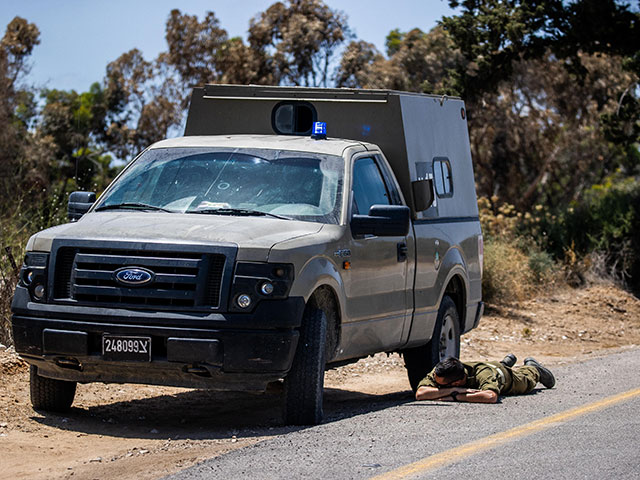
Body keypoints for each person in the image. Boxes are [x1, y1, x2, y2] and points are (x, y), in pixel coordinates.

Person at [415, 354, 555, 403]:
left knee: (526, 383)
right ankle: (504, 362)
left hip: (503, 376)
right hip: (490, 370)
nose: (436, 385)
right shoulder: (442, 372)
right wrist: (454, 390)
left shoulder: (483, 373)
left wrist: (455, 397)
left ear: (457, 381)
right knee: (494, 371)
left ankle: (533, 367)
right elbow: (421, 394)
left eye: (442, 386)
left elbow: (490, 397)